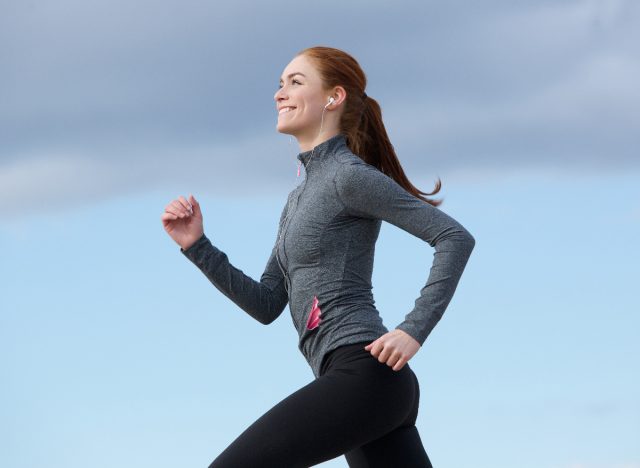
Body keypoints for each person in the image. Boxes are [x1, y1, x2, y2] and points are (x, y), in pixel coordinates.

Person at [161, 45, 475, 468]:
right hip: (357, 382)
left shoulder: (348, 176)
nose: (279, 93)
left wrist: (413, 329)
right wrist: (197, 247)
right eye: (279, 84)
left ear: (334, 97)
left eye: (295, 82)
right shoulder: (297, 199)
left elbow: (454, 237)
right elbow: (268, 302)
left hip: (365, 374)